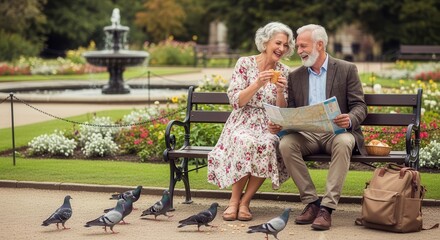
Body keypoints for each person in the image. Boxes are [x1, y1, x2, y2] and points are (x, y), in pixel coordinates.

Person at [268, 24, 367, 230]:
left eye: (303, 46)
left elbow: (360, 106)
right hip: (308, 136)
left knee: (344, 142)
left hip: (337, 133)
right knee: (286, 144)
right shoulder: (296, 76)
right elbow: (293, 111)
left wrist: (349, 118)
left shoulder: (346, 69)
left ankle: (327, 208)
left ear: (319, 45)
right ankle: (312, 203)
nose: (299, 50)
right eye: (299, 46)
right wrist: (282, 123)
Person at [207, 22, 295, 221]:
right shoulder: (245, 63)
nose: (282, 49)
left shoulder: (285, 71)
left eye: (286, 45)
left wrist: (280, 90)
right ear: (265, 43)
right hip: (242, 120)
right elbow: (236, 102)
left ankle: (245, 202)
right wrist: (257, 83)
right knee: (245, 142)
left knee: (268, 144)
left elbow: (282, 110)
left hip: (269, 123)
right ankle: (233, 201)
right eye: (278, 43)